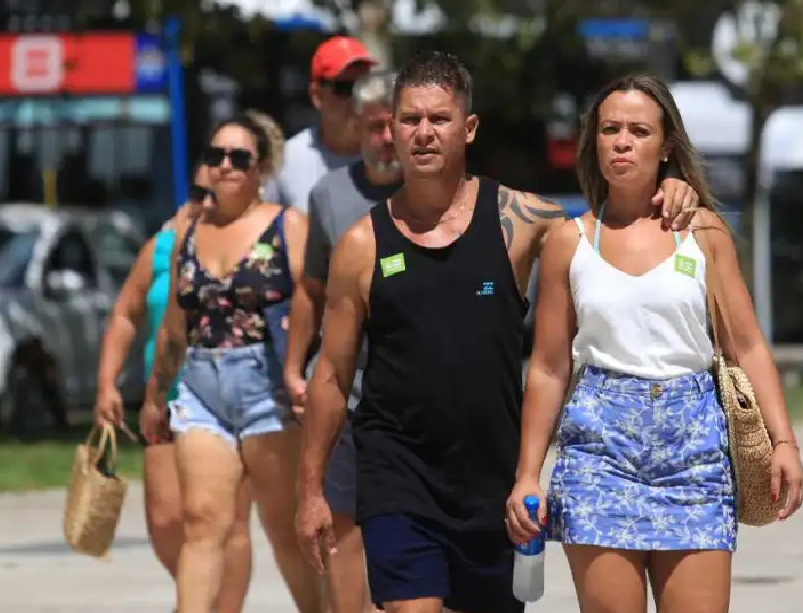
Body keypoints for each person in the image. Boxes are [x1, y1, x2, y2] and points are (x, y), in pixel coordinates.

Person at [295, 51, 700, 613]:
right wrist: (312, 490)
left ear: (469, 128)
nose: (422, 133)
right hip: (396, 472)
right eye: (410, 119)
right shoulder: (361, 246)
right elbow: (333, 377)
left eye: (439, 119)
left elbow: (614, 228)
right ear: (392, 126)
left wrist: (672, 188)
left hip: (492, 477)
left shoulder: (523, 220)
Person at [505, 74, 803, 613]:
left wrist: (784, 442)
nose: (622, 141)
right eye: (610, 129)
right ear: (593, 141)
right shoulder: (569, 242)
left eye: (639, 130)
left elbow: (748, 347)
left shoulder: (703, 232)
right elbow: (549, 368)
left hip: (694, 452)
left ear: (665, 145)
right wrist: (528, 472)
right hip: (599, 452)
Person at [140, 111, 320, 613]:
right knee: (202, 521)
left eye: (238, 157)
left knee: (285, 527)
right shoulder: (189, 233)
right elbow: (175, 324)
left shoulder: (288, 226)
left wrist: (295, 368)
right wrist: (156, 395)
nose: (225, 166)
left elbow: (312, 296)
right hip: (200, 387)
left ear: (261, 167)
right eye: (215, 156)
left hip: (267, 387)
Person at [94, 164, 254, 613]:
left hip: (228, 403)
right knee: (165, 521)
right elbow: (125, 314)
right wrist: (107, 383)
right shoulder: (162, 245)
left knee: (223, 522)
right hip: (163, 402)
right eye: (198, 192)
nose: (205, 202)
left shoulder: (251, 244)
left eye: (214, 192)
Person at [285, 70, 400, 613]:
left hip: (415, 401)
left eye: (392, 126)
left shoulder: (438, 194)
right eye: (374, 127)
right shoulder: (329, 195)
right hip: (349, 396)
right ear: (356, 127)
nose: (385, 139)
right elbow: (310, 290)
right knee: (344, 528)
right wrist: (294, 367)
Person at [266, 35, 376, 213]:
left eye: (364, 86)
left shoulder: (392, 155)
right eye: (344, 88)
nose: (358, 98)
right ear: (317, 96)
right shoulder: (286, 159)